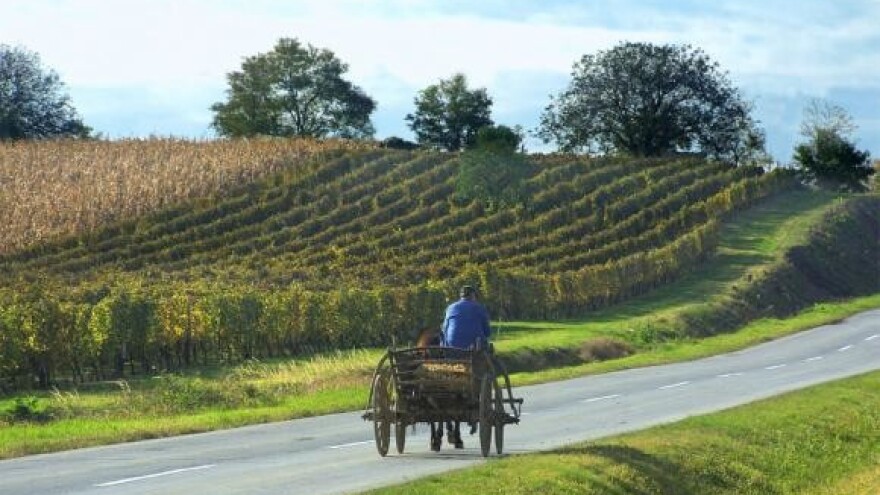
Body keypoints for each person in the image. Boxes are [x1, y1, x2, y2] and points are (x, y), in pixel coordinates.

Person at [442, 285, 491, 350]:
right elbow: (487, 332)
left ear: (461, 296)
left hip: (452, 347)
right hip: (475, 347)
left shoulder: (450, 308)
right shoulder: (480, 308)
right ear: (473, 295)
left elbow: (444, 329)